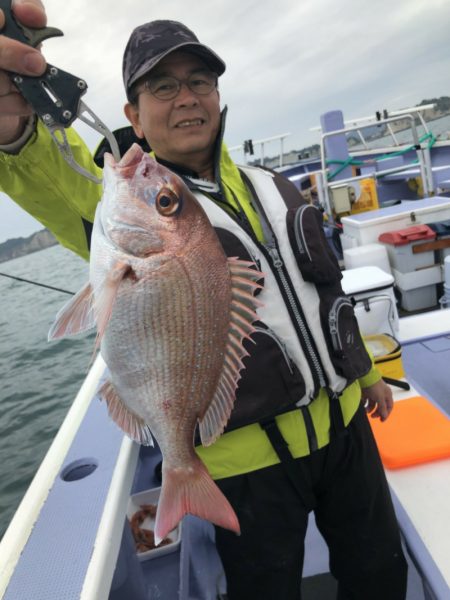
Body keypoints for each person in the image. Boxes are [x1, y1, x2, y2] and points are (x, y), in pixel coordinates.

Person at [0, 2, 408, 598]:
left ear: (218, 97)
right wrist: (17, 132)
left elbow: (322, 296)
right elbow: (48, 173)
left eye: (200, 81)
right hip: (245, 464)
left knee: (379, 574)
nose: (187, 97)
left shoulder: (274, 187)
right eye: (163, 86)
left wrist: (367, 374)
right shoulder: (122, 205)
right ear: (133, 117)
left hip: (345, 431)